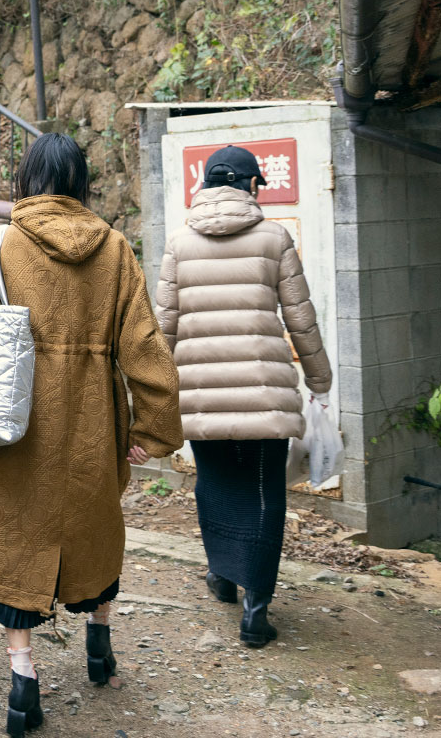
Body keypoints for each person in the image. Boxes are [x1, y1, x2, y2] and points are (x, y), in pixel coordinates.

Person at [0, 133, 183, 737]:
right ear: (80, 184)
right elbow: (144, 344)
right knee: (95, 526)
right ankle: (100, 643)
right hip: (95, 417)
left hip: (16, 424)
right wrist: (154, 426)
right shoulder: (116, 250)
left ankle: (23, 681)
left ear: (25, 181)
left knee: (20, 537)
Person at [155, 144, 332, 647]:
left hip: (201, 398)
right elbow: (301, 318)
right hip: (264, 399)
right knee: (261, 495)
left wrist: (158, 397)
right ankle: (255, 608)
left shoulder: (178, 243)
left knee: (214, 486)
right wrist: (319, 382)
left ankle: (221, 576)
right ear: (251, 185)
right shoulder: (274, 238)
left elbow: (162, 329)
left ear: (206, 186)